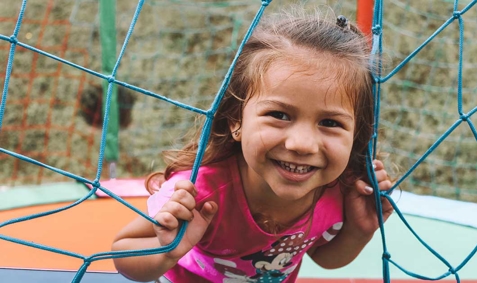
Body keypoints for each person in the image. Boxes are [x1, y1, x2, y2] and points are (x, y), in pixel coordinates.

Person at [112, 7, 394, 283]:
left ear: (356, 135)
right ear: (236, 120)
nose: (302, 144)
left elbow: (324, 258)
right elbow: (124, 254)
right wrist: (167, 252)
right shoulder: (199, 192)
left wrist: (359, 230)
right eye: (279, 115)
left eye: (330, 123)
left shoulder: (340, 189)